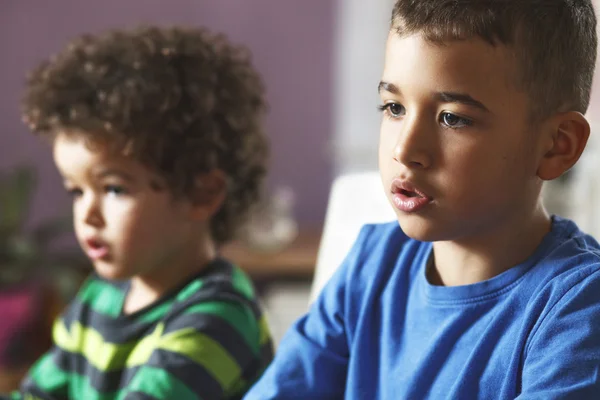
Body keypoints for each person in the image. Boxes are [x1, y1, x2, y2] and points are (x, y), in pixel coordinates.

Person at [245, 0, 600, 398]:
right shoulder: (371, 265)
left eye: (453, 118)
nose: (405, 148)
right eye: (394, 107)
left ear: (556, 146)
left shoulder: (577, 310)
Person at [12, 25, 273, 400]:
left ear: (202, 193)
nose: (87, 214)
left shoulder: (218, 317)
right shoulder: (99, 297)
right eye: (76, 190)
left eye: (114, 189)